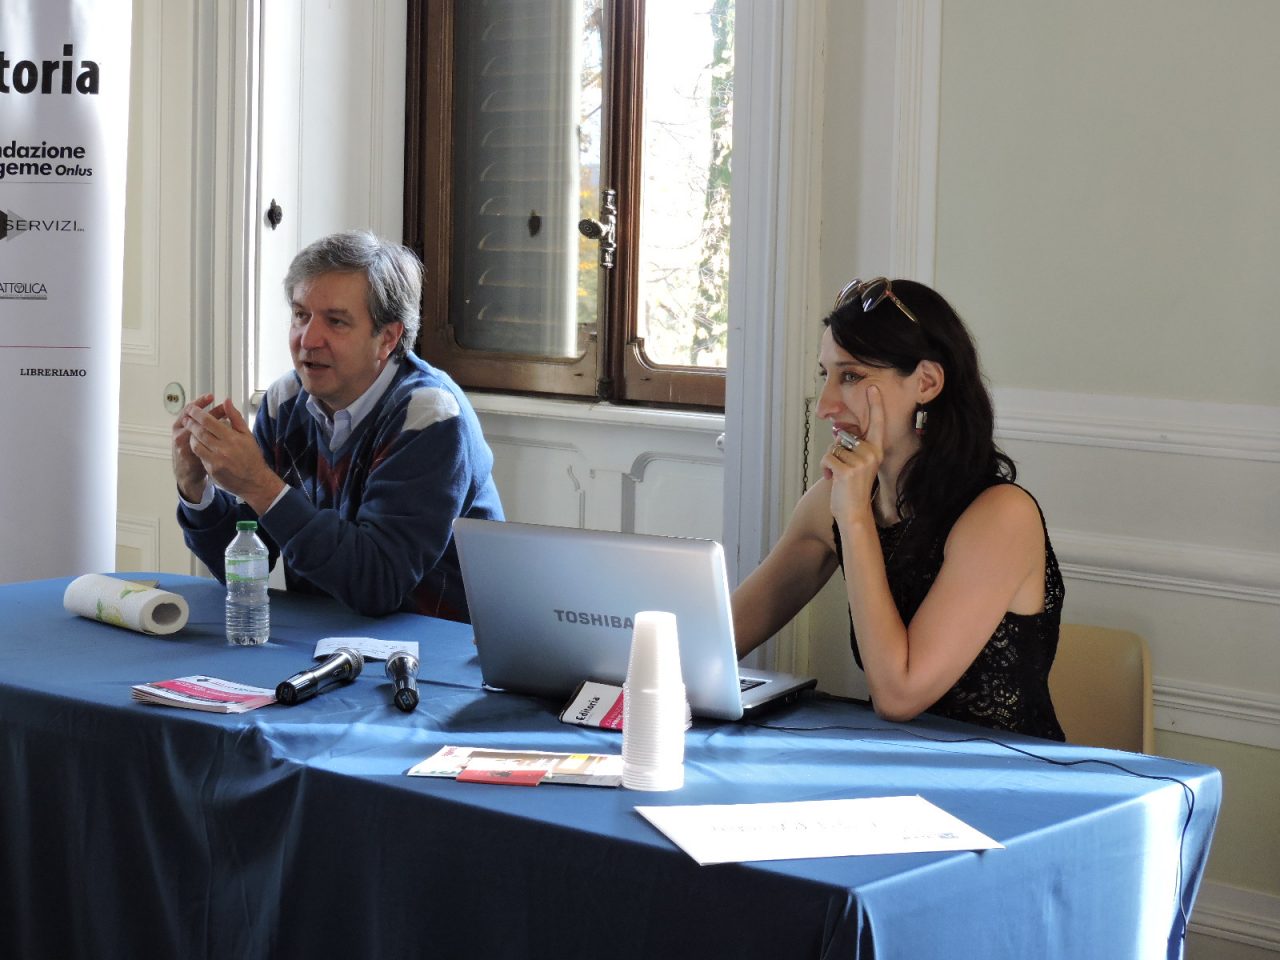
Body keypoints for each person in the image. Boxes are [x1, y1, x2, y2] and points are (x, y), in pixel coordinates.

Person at [732, 277, 1065, 740]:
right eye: (825, 375)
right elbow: (720, 641)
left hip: (1007, 772)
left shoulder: (1001, 515)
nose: (825, 406)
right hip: (890, 763)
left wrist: (854, 518)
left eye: (851, 376)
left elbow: (898, 696)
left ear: (926, 382)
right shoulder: (830, 504)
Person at [172, 230, 503, 621]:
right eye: (301, 315)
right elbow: (247, 561)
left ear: (387, 338)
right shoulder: (285, 401)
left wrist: (259, 484)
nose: (309, 339)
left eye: (336, 321)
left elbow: (378, 583)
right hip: (329, 637)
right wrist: (196, 489)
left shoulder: (429, 415)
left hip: (437, 643)